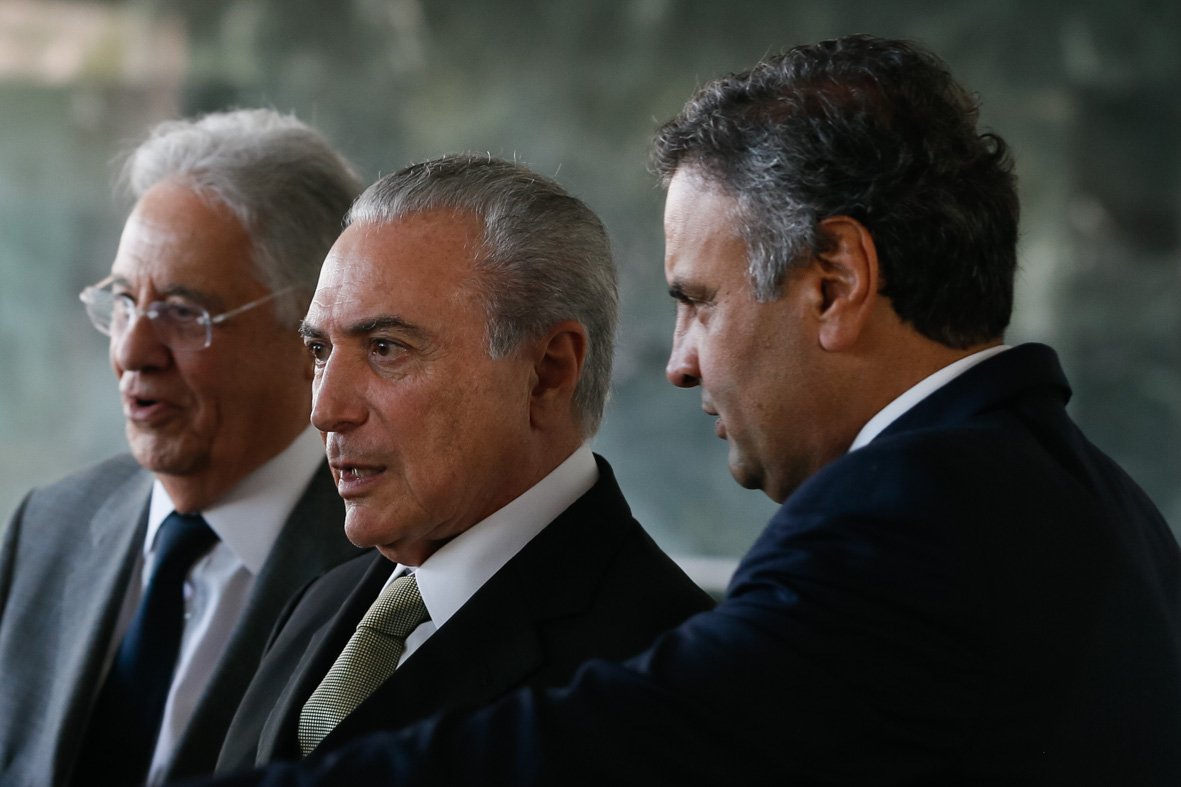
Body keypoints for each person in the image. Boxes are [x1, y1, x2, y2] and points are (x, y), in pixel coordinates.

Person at [188, 35, 1181, 787]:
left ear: (834, 281)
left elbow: (619, 745)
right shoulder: (1091, 502)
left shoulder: (912, 517)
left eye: (697, 301)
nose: (676, 364)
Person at [212, 155, 714, 772]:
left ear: (548, 373)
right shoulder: (320, 603)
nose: (325, 409)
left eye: (385, 348)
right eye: (320, 349)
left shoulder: (671, 672)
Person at [0, 109, 367, 786]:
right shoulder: (49, 527)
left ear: (311, 336)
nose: (132, 351)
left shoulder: (386, 583)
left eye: (182, 311)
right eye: (122, 300)